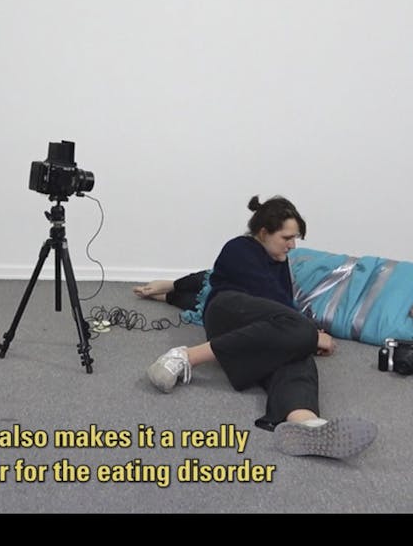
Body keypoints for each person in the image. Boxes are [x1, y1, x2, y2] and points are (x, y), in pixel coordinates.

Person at [145, 195, 378, 460]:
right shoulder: (239, 248)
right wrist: (310, 334)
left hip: (264, 329)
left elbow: (283, 307)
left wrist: (305, 338)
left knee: (296, 352)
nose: (292, 245)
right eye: (286, 237)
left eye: (295, 239)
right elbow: (265, 296)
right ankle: (185, 356)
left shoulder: (279, 261)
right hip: (228, 311)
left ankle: (305, 423)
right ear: (264, 232)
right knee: (301, 331)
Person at [135, 248, 413, 355]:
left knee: (237, 302)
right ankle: (174, 284)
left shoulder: (402, 336)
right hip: (328, 272)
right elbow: (373, 267)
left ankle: (171, 294)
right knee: (248, 268)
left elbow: (351, 322)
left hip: (311, 303)